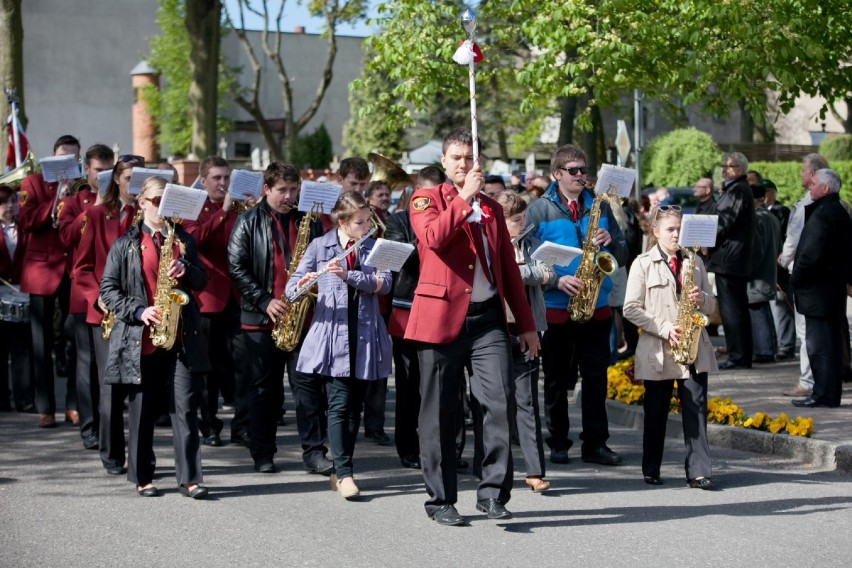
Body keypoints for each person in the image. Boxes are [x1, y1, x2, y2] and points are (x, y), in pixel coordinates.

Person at [406, 128, 539, 526]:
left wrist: (525, 325)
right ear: (445, 163)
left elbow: (509, 273)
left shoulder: (493, 210)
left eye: (470, 157)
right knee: (441, 414)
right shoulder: (425, 199)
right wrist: (463, 200)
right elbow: (433, 239)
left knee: (498, 403)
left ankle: (493, 492)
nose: (464, 164)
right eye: (457, 158)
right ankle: (441, 499)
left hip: (487, 321)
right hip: (440, 320)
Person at [99, 176, 210, 498]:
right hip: (142, 338)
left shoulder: (183, 240)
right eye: (157, 199)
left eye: (167, 200)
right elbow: (108, 290)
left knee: (186, 408)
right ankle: (143, 476)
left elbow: (202, 279)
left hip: (181, 336)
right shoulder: (126, 244)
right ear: (142, 203)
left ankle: (190, 478)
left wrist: (185, 268)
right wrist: (138, 311)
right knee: (142, 410)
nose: (162, 207)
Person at [524, 143, 628, 467]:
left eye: (584, 170)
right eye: (574, 171)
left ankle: (595, 443)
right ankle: (557, 442)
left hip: (595, 305)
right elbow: (528, 258)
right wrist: (556, 281)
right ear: (557, 174)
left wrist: (612, 243)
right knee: (556, 379)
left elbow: (623, 251)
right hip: (556, 306)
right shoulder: (538, 210)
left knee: (596, 378)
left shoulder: (600, 206)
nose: (581, 176)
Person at [227, 161, 331, 475]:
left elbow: (322, 260)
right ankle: (262, 453)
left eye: (293, 190)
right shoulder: (247, 221)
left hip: (300, 317)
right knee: (263, 390)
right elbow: (236, 266)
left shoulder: (309, 222)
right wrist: (263, 300)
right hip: (261, 319)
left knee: (308, 389)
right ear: (267, 189)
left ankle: (314, 452)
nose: (288, 196)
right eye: (281, 190)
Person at [287, 191, 392, 500]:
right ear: (343, 222)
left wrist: (350, 276)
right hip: (334, 336)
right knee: (339, 403)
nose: (367, 225)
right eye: (360, 222)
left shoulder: (375, 246)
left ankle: (338, 470)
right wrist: (305, 284)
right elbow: (291, 288)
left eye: (368, 219)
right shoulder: (321, 246)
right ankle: (345, 472)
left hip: (365, 333)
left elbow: (385, 284)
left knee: (354, 408)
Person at [623, 205, 718, 489]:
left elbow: (713, 307)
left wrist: (701, 297)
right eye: (670, 229)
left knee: (696, 410)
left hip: (693, 348)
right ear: (656, 232)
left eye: (680, 229)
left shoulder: (695, 262)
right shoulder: (642, 263)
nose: (677, 235)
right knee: (656, 412)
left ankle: (699, 471)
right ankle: (651, 467)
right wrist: (664, 328)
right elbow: (630, 308)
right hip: (659, 349)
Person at [74, 154, 143, 476]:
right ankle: (112, 455)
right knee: (111, 388)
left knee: (143, 390)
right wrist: (96, 297)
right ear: (116, 180)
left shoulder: (153, 216)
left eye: (140, 178)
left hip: (144, 313)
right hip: (107, 314)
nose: (135, 185)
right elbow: (82, 268)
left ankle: (142, 458)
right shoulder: (97, 215)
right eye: (129, 178)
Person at [491, 190, 553, 492]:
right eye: (517, 220)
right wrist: (525, 272)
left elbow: (547, 272)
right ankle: (492, 470)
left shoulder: (532, 244)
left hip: (528, 328)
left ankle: (534, 471)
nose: (524, 224)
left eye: (523, 218)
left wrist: (515, 269)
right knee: (495, 403)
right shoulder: (489, 245)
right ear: (500, 223)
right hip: (495, 330)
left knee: (527, 401)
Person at [385, 165, 446, 469]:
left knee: (444, 385)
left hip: (443, 309)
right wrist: (430, 233)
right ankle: (407, 446)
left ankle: (445, 448)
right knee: (409, 385)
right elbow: (403, 257)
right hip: (407, 309)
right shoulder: (397, 219)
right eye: (426, 195)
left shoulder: (450, 215)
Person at [17, 134, 80, 428]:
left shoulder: (82, 187)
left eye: (73, 158)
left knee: (74, 341)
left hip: (72, 270)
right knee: (40, 344)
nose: (68, 163)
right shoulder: (33, 183)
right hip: (41, 270)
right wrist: (57, 199)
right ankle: (45, 408)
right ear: (52, 157)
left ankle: (72, 404)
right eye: (62, 157)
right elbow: (26, 220)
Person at [58, 144, 114, 450]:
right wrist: (94, 207)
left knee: (109, 367)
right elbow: (65, 239)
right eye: (98, 171)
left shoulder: (120, 205)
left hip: (114, 294)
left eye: (109, 171)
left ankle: (108, 426)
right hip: (83, 293)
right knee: (86, 363)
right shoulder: (71, 203)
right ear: (86, 171)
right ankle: (89, 427)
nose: (104, 176)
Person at [182, 156, 240, 447]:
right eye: (217, 178)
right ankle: (209, 424)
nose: (223, 183)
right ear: (203, 181)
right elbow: (194, 241)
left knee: (237, 364)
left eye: (226, 178)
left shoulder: (238, 208)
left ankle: (241, 426)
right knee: (208, 368)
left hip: (236, 296)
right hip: (207, 298)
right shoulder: (195, 207)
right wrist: (223, 212)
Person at [790, 169, 852, 408]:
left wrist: (796, 279)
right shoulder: (837, 212)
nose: (809, 187)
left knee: (820, 347)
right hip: (830, 291)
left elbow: (810, 255)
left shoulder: (825, 214)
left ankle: (823, 395)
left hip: (818, 293)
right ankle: (827, 392)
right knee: (830, 345)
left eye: (813, 184)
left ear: (826, 188)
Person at [778, 154, 828, 397]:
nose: (800, 174)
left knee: (805, 329)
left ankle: (808, 382)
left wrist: (784, 259)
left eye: (803, 170)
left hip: (805, 276)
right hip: (825, 278)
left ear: (812, 175)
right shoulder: (835, 204)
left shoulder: (807, 205)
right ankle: (822, 379)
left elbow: (793, 239)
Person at [707, 152, 755, 370]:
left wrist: (702, 238)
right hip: (732, 258)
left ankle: (738, 355)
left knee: (732, 310)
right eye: (723, 166)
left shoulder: (738, 190)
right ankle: (740, 354)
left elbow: (723, 223)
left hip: (730, 259)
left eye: (729, 166)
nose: (724, 170)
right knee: (735, 309)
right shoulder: (735, 189)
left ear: (741, 169)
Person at [362, 179, 392, 446]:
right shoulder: (364, 221)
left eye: (387, 194)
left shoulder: (390, 221)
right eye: (380, 194)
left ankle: (375, 426)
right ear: (369, 198)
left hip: (383, 303)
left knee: (378, 369)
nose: (384, 197)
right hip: (363, 301)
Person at [0, 184, 34, 413]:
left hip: (22, 291)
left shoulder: (25, 228)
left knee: (22, 350)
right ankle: (2, 398)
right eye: (4, 203)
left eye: (13, 202)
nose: (10, 207)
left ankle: (24, 398)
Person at [758, 179, 795, 360]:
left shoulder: (782, 211)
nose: (763, 196)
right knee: (772, 309)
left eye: (766, 192)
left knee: (782, 307)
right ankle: (776, 344)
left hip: (779, 267)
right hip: (767, 269)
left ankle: (786, 346)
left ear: (772, 192)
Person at [747, 182, 781, 364]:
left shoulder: (757, 218)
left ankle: (764, 351)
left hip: (757, 275)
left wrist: (746, 269)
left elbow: (756, 251)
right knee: (763, 311)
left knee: (758, 311)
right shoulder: (771, 217)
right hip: (768, 271)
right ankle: (768, 349)